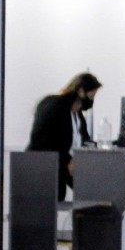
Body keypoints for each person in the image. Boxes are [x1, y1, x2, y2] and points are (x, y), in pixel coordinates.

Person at [28, 72, 102, 201]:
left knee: (89, 193)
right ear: (81, 91)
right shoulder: (53, 105)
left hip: (63, 167)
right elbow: (42, 140)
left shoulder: (78, 115)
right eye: (91, 95)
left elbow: (84, 140)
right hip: (43, 169)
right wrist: (68, 161)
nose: (92, 100)